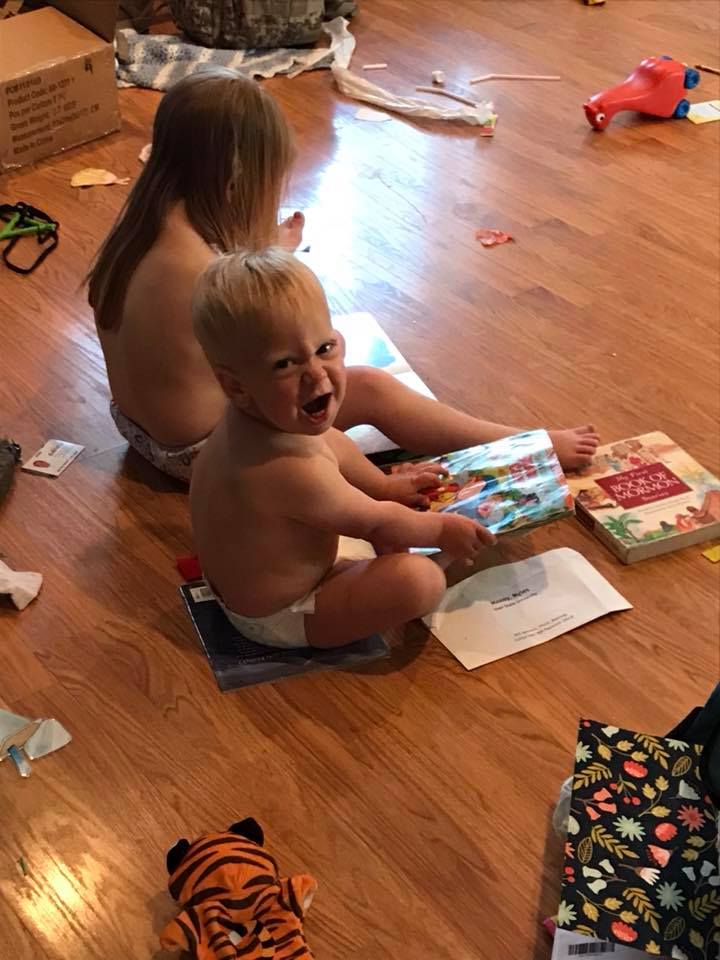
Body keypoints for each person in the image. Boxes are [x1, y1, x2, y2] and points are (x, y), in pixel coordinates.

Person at [88, 68, 599, 483]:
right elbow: (274, 323)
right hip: (203, 454)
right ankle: (525, 446)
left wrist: (268, 249)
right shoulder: (200, 270)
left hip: (139, 431)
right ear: (233, 185)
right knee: (371, 387)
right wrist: (277, 262)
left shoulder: (143, 226)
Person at [190, 248, 496, 649]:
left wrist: (384, 487)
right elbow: (376, 523)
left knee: (340, 456)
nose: (316, 375)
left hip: (261, 574)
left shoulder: (259, 421)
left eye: (324, 348)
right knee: (419, 581)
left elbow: (332, 444)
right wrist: (441, 529)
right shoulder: (282, 468)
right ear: (236, 386)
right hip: (285, 611)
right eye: (285, 364)